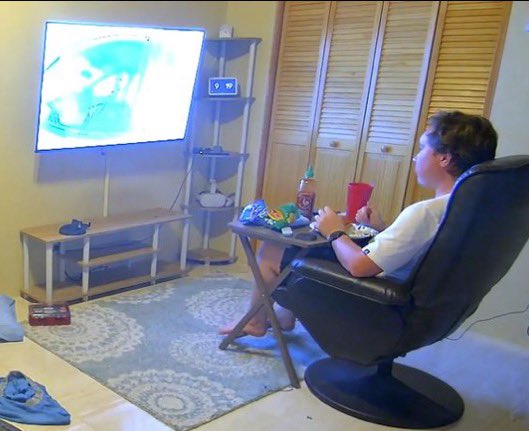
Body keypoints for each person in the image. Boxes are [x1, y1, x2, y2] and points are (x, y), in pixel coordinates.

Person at [219, 111, 498, 337]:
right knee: (307, 249)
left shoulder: (423, 212)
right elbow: (419, 251)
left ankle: (255, 322)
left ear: (444, 158)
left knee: (274, 249)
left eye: (423, 148)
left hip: (378, 299)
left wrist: (333, 230)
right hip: (418, 302)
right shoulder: (466, 207)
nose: (416, 156)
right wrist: (381, 230)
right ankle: (284, 316)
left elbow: (360, 267)